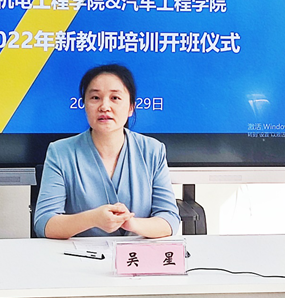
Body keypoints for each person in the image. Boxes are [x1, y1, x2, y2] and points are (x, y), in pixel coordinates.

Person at [34, 64, 181, 239]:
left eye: (115, 98)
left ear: (131, 107)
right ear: (84, 105)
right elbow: (44, 223)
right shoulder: (60, 152)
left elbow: (170, 219)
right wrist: (93, 219)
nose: (104, 106)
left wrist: (132, 223)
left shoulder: (152, 151)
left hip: (137, 254)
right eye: (95, 97)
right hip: (78, 253)